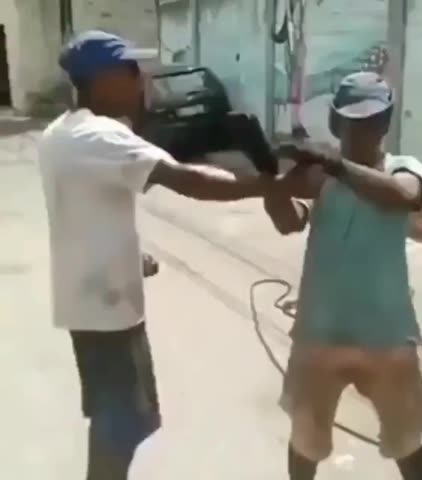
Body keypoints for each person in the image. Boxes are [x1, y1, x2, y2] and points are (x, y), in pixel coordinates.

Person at [37, 30, 298, 480]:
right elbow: (186, 179)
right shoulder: (101, 136)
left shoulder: (61, 132)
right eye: (130, 71)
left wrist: (130, 258)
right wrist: (268, 186)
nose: (141, 79)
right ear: (103, 80)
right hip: (107, 314)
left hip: (91, 302)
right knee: (121, 424)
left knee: (122, 417)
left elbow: (82, 211)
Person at [265, 72, 422, 480]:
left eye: (370, 123)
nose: (359, 133)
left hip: (387, 335)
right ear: (336, 123)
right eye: (351, 123)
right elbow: (289, 221)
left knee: (407, 439)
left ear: (386, 123)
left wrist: (331, 163)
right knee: (306, 440)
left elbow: (405, 195)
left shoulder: (403, 168)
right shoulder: (323, 177)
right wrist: (273, 185)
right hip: (319, 334)